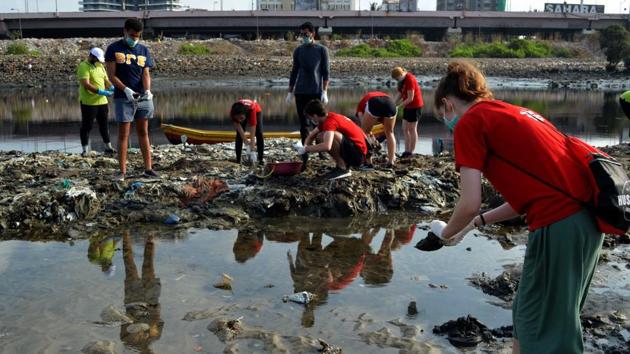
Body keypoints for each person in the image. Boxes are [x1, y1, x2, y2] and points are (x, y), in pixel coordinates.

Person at [419, 60, 603, 354]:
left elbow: (468, 202)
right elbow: (523, 199)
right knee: (530, 313)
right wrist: (472, 225)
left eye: (442, 116)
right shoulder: (512, 112)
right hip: (585, 220)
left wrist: (443, 234)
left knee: (551, 328)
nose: (446, 123)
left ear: (446, 104)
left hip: (560, 222)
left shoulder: (470, 123)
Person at [105, 18, 157, 182]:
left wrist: (148, 90)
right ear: (125, 31)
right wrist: (125, 89)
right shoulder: (113, 48)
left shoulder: (143, 50)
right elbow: (111, 76)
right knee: (124, 134)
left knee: (143, 132)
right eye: (132, 35)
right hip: (124, 97)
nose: (135, 39)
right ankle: (122, 171)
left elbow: (146, 73)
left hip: (142, 96)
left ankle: (148, 169)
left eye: (138, 36)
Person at [295, 100, 368, 180]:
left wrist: (306, 148)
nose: (310, 120)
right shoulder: (326, 118)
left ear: (315, 116)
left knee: (323, 136)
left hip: (358, 155)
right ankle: (343, 165)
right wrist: (305, 149)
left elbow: (327, 146)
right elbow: (311, 136)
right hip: (354, 150)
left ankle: (342, 168)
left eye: (310, 118)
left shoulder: (330, 122)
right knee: (320, 136)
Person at [286, 22, 330, 143]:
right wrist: (290, 92)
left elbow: (326, 72)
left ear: (313, 34)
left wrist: (324, 91)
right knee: (303, 124)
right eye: (302, 34)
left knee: (319, 122)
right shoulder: (298, 51)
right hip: (300, 92)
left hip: (315, 91)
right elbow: (294, 72)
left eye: (306, 34)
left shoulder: (322, 50)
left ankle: (320, 150)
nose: (303, 36)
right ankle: (305, 151)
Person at [76, 47, 115, 157]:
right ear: (91, 56)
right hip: (89, 102)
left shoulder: (100, 65)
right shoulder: (83, 66)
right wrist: (101, 91)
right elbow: (86, 84)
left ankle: (108, 147)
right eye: (97, 59)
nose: (98, 61)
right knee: (87, 126)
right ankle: (85, 150)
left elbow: (105, 79)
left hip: (102, 102)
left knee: (104, 124)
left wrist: (111, 86)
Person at [356, 91, 397, 167]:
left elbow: (364, 128)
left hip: (374, 101)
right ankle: (391, 161)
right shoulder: (381, 96)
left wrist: (371, 136)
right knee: (390, 133)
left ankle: (368, 162)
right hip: (390, 102)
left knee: (364, 133)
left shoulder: (359, 108)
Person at [392, 67, 423, 158]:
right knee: (405, 128)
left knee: (412, 129)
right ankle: (406, 150)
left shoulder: (410, 79)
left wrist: (398, 107)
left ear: (401, 74)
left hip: (415, 106)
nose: (397, 80)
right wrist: (393, 104)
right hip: (407, 106)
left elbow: (410, 98)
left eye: (397, 78)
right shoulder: (402, 81)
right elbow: (400, 93)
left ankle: (411, 151)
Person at [230, 99, 264, 164]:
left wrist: (252, 150)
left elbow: (252, 132)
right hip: (240, 114)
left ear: (245, 114)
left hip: (256, 111)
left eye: (241, 119)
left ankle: (260, 159)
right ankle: (238, 160)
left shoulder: (251, 109)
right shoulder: (233, 112)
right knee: (239, 135)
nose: (240, 121)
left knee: (259, 133)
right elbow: (239, 129)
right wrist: (246, 143)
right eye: (238, 119)